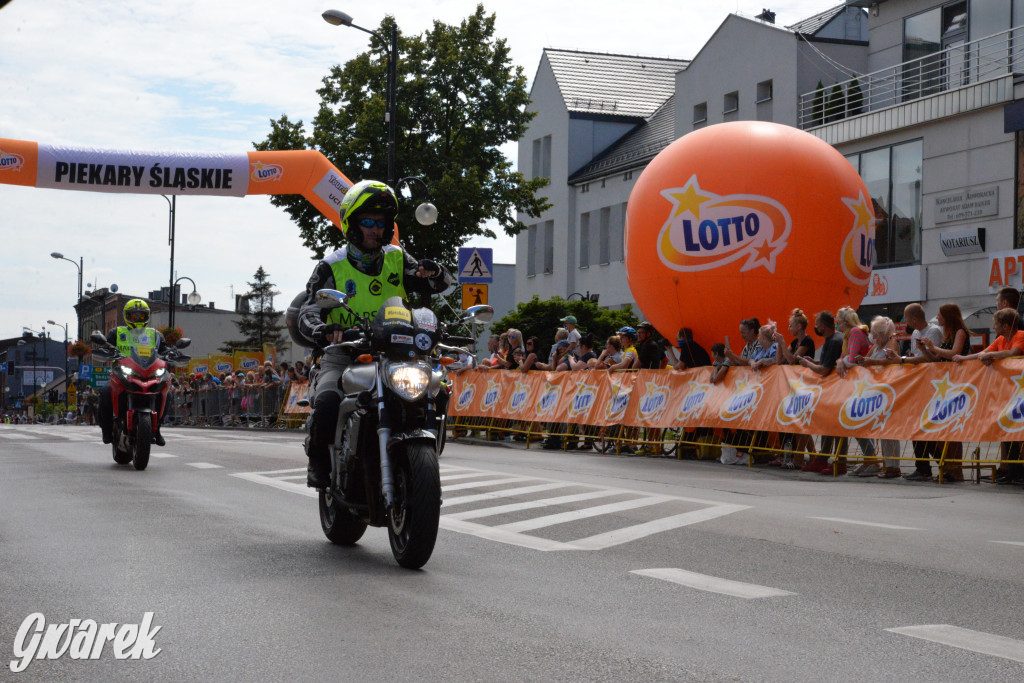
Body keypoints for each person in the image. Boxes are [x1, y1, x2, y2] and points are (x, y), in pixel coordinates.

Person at [297, 180, 452, 488]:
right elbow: (307, 311)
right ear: (352, 223)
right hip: (346, 352)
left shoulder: (398, 258)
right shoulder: (331, 266)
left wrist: (435, 272)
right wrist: (324, 330)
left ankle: (421, 455)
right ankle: (319, 463)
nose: (375, 229)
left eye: (381, 223)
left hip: (397, 351)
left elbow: (438, 284)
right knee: (327, 401)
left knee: (438, 389)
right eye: (367, 222)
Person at [954, 309, 1024, 484]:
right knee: (1009, 432)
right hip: (1007, 393)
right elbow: (983, 353)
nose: (993, 327)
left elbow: (1014, 353)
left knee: (1020, 435)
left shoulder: (1020, 335)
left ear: (1006, 326)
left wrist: (991, 355)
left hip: (1019, 393)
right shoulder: (1001, 339)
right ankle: (1014, 472)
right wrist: (963, 358)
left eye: (996, 324)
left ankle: (1018, 472)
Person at [98, 299, 170, 448]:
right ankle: (106, 430)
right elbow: (106, 346)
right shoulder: (116, 332)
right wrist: (104, 349)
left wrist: (172, 353)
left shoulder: (155, 334)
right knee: (105, 392)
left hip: (149, 372)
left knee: (167, 394)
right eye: (133, 316)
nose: (137, 319)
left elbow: (164, 350)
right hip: (122, 373)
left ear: (147, 316)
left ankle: (157, 429)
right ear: (126, 316)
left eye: (141, 316)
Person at [916, 303, 970, 483]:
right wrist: (925, 349)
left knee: (951, 429)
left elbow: (954, 353)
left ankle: (956, 470)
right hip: (944, 384)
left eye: (940, 315)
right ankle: (947, 468)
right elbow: (936, 359)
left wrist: (933, 347)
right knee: (941, 428)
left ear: (948, 316)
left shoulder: (960, 332)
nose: (937, 318)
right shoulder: (947, 333)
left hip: (955, 384)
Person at [851, 316, 904, 478]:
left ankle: (893, 466)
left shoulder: (891, 343)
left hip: (888, 389)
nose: (873, 337)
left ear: (882, 334)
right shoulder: (876, 346)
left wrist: (871, 362)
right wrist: (863, 361)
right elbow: (868, 358)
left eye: (876, 334)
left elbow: (891, 361)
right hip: (876, 390)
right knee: (882, 428)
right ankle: (884, 464)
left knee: (889, 429)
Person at [897, 303, 945, 481]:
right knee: (915, 426)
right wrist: (908, 359)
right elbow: (918, 357)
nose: (906, 322)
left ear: (914, 318)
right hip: (917, 383)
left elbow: (930, 358)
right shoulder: (916, 333)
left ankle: (940, 464)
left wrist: (903, 360)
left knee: (924, 427)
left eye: (907, 318)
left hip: (931, 384)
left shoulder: (933, 332)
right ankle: (924, 466)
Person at [796, 311, 845, 474]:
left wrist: (808, 365)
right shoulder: (833, 340)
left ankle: (839, 461)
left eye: (817, 324)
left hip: (836, 390)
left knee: (837, 427)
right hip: (832, 390)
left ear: (823, 326)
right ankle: (824, 458)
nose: (816, 327)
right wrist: (814, 361)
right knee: (828, 425)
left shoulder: (835, 341)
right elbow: (827, 363)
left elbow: (824, 370)